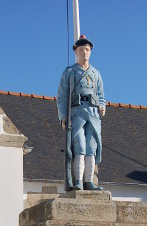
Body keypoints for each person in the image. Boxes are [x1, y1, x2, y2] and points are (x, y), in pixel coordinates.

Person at [57, 35, 106, 191]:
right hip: (76, 112)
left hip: (92, 112)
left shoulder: (96, 73)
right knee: (80, 146)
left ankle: (89, 181)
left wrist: (102, 105)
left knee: (92, 147)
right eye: (81, 49)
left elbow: (101, 94)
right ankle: (78, 181)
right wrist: (63, 116)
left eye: (87, 49)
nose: (84, 52)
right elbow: (62, 96)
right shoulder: (70, 72)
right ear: (76, 52)